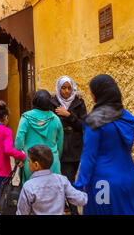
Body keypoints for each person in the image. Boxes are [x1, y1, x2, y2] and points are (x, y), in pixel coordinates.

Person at [73, 74, 134, 215]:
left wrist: (79, 184)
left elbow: (89, 157)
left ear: (97, 94)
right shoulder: (126, 117)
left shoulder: (95, 120)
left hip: (103, 184)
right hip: (128, 178)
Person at [51, 75, 87, 215]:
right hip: (61, 146)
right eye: (63, 88)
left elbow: (83, 125)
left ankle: (70, 205)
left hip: (76, 146)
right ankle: (73, 211)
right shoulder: (53, 103)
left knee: (72, 179)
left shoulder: (79, 102)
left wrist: (68, 115)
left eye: (69, 88)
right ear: (58, 89)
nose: (66, 91)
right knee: (68, 179)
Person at [16, 144, 88, 215]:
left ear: (36, 165)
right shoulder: (62, 180)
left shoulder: (28, 186)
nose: (28, 164)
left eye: (29, 161)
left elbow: (22, 212)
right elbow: (81, 200)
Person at [15, 89, 63, 184]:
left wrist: (19, 159)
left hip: (31, 163)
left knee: (30, 193)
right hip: (51, 163)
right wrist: (56, 158)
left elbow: (19, 140)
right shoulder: (56, 120)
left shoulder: (26, 118)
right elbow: (60, 143)